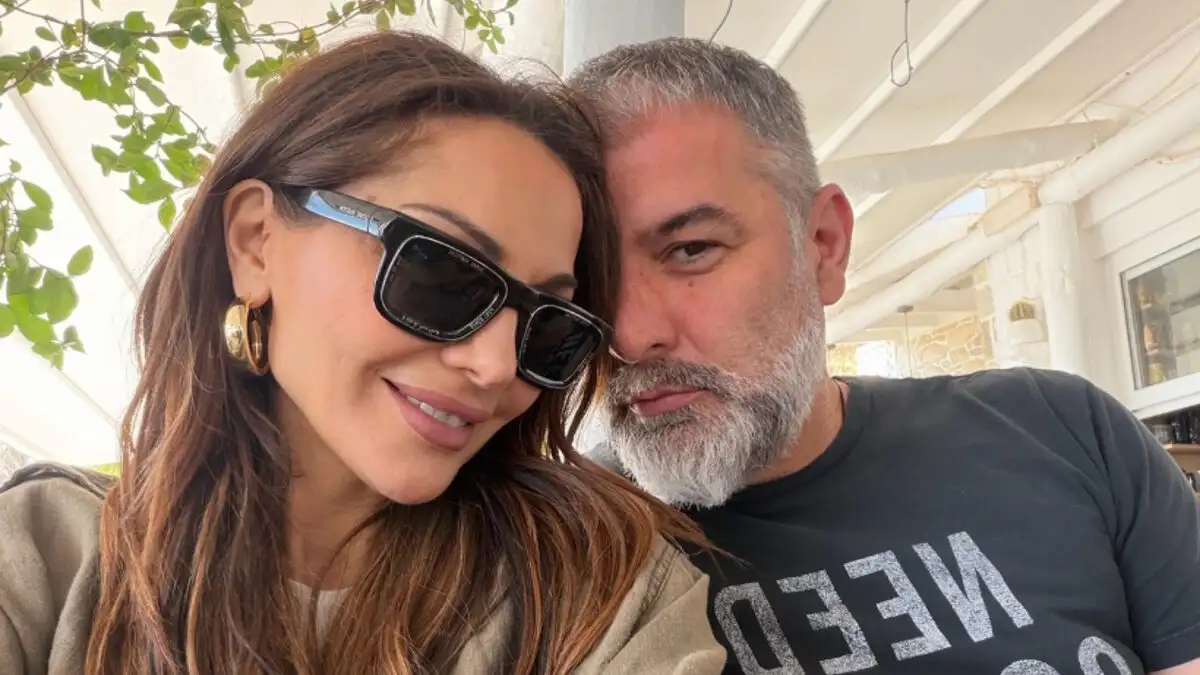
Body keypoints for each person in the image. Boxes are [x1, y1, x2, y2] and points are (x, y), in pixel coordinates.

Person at [0, 31, 728, 675]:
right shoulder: (44, 553)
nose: (495, 366)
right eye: (440, 273)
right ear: (256, 242)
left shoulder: (604, 591)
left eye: (547, 325)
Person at [570, 37, 1200, 675]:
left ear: (824, 244)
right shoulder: (566, 557)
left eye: (690, 250)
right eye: (587, 276)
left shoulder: (1062, 429)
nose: (627, 335)